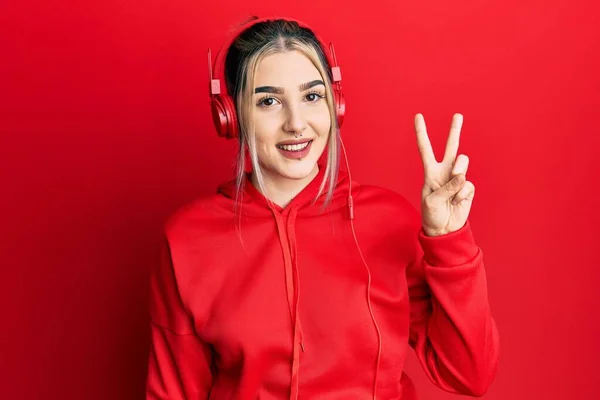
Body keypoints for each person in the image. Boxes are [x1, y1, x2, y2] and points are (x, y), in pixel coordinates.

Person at [145, 16, 500, 400]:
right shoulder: (187, 239)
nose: (296, 123)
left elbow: (469, 374)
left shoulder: (389, 220)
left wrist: (449, 242)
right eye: (269, 101)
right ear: (230, 116)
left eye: (312, 96)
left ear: (336, 105)